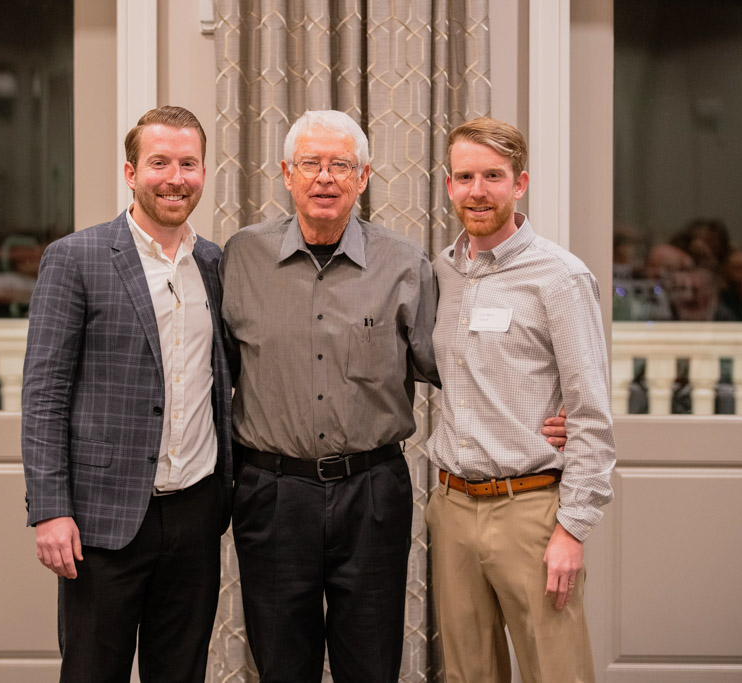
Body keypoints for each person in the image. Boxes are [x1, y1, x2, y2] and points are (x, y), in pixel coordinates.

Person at [220, 110, 568, 683]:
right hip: (273, 495)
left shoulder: (407, 265)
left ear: (364, 177)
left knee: (373, 663)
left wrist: (550, 415)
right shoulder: (240, 258)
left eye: (342, 165)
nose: (325, 177)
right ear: (286, 173)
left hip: (373, 494)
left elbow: (460, 367)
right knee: (281, 664)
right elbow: (212, 372)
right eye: (311, 163)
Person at [21, 106, 232, 683]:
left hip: (195, 508)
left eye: (188, 163)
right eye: (159, 162)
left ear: (203, 172)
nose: (175, 177)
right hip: (102, 519)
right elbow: (44, 394)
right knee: (93, 671)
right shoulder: (76, 258)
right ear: (130, 171)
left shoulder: (214, 262)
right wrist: (51, 510)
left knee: (181, 671)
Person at [426, 117, 615, 683]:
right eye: (464, 176)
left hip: (532, 513)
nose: (477, 190)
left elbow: (590, 415)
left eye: (493, 176)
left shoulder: (559, 277)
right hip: (454, 508)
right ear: (449, 183)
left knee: (554, 673)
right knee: (467, 676)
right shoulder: (441, 271)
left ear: (520, 182)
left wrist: (572, 530)